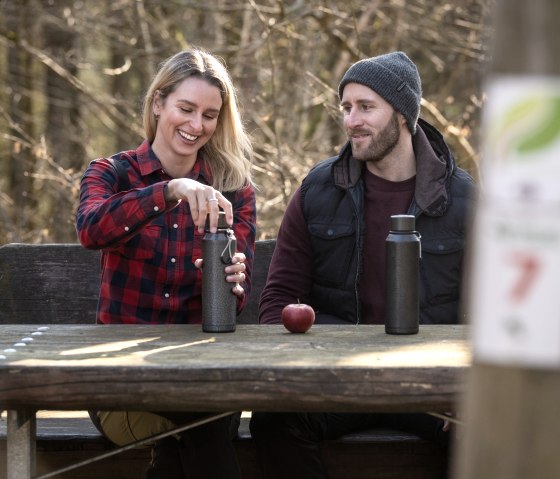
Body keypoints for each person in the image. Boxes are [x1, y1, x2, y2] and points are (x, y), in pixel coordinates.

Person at [250, 51, 476, 478]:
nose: (352, 120)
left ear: (403, 114)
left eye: (366, 107)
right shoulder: (319, 190)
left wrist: (464, 387)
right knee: (273, 422)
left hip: (428, 385)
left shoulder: (463, 200)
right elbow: (278, 297)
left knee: (487, 430)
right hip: (337, 380)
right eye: (347, 107)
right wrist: (307, 370)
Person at [76, 48, 256, 479]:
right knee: (202, 432)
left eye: (210, 115)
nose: (197, 126)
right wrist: (169, 191)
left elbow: (238, 298)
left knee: (197, 426)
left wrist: (235, 283)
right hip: (121, 381)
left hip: (203, 376)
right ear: (158, 103)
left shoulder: (234, 189)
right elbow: (91, 229)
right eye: (186, 108)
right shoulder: (111, 173)